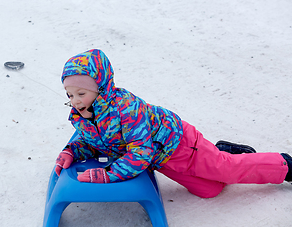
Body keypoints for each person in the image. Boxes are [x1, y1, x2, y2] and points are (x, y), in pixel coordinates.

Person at [55, 49, 292, 198]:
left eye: (81, 93)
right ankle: (222, 151)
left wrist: (108, 174)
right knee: (210, 191)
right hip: (162, 159)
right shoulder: (84, 115)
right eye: (70, 95)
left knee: (227, 170)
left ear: (101, 88)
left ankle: (284, 164)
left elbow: (140, 151)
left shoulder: (127, 109)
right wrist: (71, 152)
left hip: (180, 143)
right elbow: (95, 142)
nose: (75, 101)